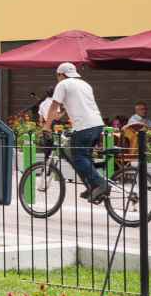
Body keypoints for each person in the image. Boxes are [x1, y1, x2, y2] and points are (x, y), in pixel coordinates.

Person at [42, 62, 109, 203]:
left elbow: (54, 107)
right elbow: (79, 106)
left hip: (84, 127)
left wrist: (47, 126)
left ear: (61, 74)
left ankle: (100, 184)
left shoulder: (63, 84)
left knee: (78, 157)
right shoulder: (85, 84)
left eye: (57, 75)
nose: (57, 78)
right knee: (85, 157)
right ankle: (92, 187)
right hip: (97, 124)